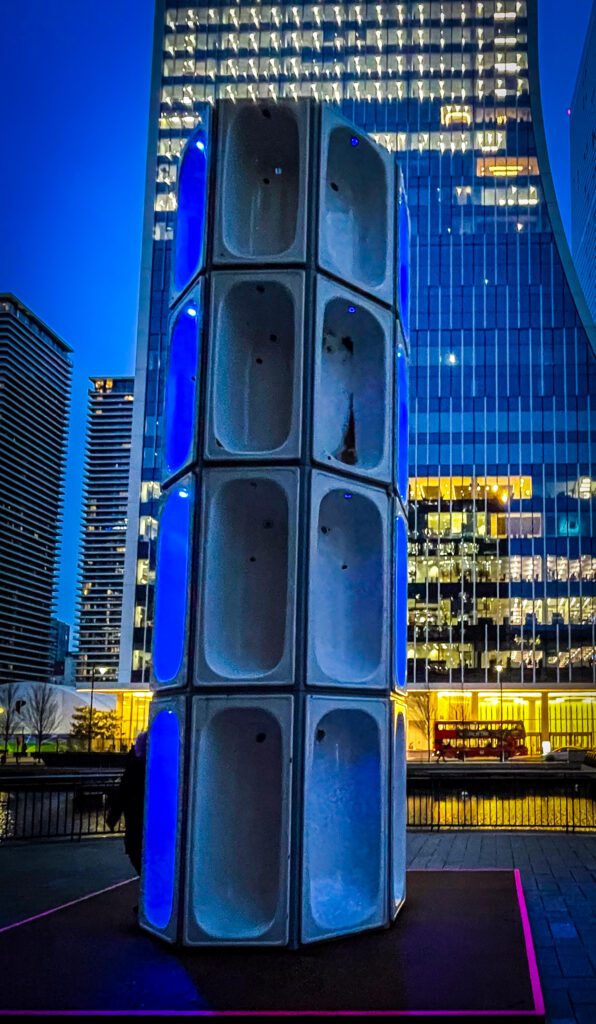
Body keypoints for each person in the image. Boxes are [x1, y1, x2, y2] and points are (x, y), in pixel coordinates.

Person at [106, 731, 147, 875]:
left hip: (134, 821)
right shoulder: (152, 768)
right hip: (144, 820)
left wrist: (113, 817)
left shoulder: (133, 768)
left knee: (136, 851)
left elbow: (122, 793)